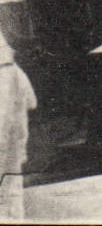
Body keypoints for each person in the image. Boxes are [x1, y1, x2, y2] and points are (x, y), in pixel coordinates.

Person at [0, 29, 36, 220]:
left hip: (4, 145)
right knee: (12, 193)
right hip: (15, 146)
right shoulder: (17, 72)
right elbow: (32, 102)